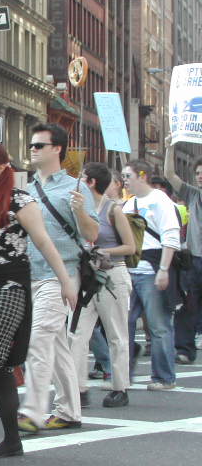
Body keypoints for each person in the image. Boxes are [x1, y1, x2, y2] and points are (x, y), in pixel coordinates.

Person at [0, 142, 77, 460]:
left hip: (9, 290)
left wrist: (66, 282)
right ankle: (12, 440)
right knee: (0, 369)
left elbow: (43, 242)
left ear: (2, 167)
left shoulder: (18, 200)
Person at [17, 123, 99, 433]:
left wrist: (80, 212)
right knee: (58, 342)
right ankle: (69, 411)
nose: (33, 150)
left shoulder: (75, 188)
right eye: (32, 145)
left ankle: (33, 410)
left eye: (39, 145)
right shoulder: (25, 188)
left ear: (57, 149)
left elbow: (91, 235)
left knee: (39, 339)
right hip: (30, 274)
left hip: (61, 273)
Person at [69, 163, 135, 408]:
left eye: (81, 178)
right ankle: (78, 387)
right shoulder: (78, 208)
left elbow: (130, 247)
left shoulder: (113, 210)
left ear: (91, 182)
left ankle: (120, 387)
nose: (76, 182)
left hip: (112, 275)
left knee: (116, 334)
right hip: (86, 278)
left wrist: (100, 251)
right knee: (76, 334)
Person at [123, 159, 182, 390]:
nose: (124, 180)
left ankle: (164, 377)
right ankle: (123, 372)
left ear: (142, 175)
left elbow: (171, 235)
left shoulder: (160, 201)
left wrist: (164, 270)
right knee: (124, 323)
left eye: (128, 176)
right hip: (131, 270)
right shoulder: (128, 204)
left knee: (159, 326)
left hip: (152, 270)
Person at [165, 143, 202, 365]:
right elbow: (170, 174)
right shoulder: (192, 194)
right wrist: (170, 148)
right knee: (187, 305)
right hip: (194, 260)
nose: (199, 177)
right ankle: (185, 350)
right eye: (198, 173)